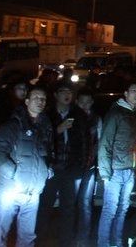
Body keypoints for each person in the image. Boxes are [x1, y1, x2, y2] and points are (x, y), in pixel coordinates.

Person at [0, 84, 54, 247]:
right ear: (26, 101)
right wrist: (15, 174)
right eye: (36, 97)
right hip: (11, 189)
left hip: (33, 191)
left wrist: (47, 169)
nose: (40, 101)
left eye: (43, 99)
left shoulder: (46, 126)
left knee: (27, 236)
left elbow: (48, 153)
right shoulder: (12, 125)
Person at [38, 80, 87, 247]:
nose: (67, 95)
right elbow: (41, 141)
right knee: (45, 205)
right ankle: (39, 239)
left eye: (69, 92)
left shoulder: (78, 115)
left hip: (71, 167)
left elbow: (84, 141)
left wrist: (82, 164)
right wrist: (58, 129)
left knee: (68, 207)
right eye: (63, 91)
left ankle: (66, 241)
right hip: (52, 167)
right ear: (56, 95)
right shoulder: (48, 115)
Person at [97, 83, 136, 247]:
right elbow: (105, 143)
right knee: (110, 210)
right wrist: (105, 173)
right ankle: (103, 243)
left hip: (129, 169)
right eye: (133, 91)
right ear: (125, 93)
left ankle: (116, 242)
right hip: (115, 170)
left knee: (123, 209)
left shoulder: (133, 114)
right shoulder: (116, 113)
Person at [75, 86, 102, 247]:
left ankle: (83, 238)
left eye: (87, 102)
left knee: (85, 202)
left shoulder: (96, 119)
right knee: (72, 202)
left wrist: (95, 160)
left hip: (89, 165)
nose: (85, 105)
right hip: (74, 166)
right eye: (82, 102)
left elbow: (99, 140)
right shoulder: (73, 117)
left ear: (91, 102)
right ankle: (72, 233)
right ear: (77, 102)